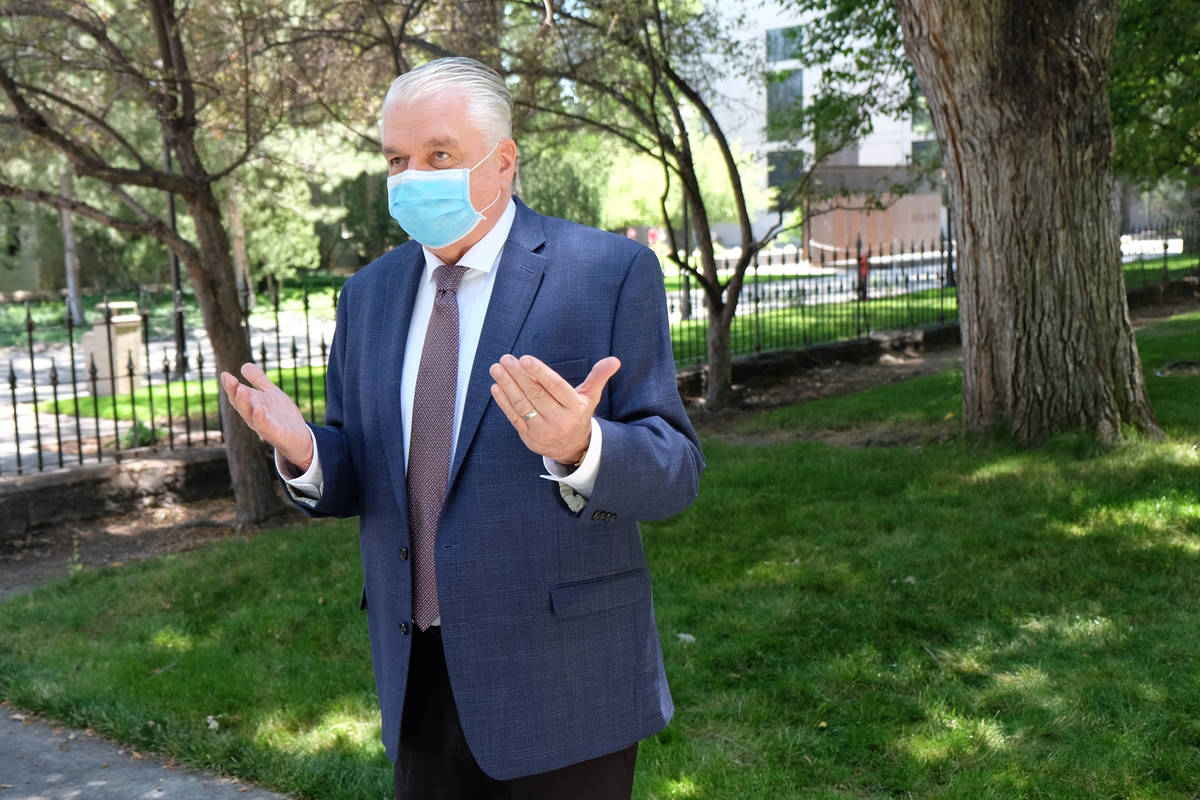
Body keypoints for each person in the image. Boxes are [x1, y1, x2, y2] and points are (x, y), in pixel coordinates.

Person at [219, 56, 703, 800]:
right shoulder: (368, 296)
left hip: (564, 680)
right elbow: (361, 472)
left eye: (438, 155)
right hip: (417, 675)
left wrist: (584, 447)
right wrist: (306, 450)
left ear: (502, 162)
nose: (413, 177)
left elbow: (676, 471)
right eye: (397, 160)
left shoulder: (608, 272)